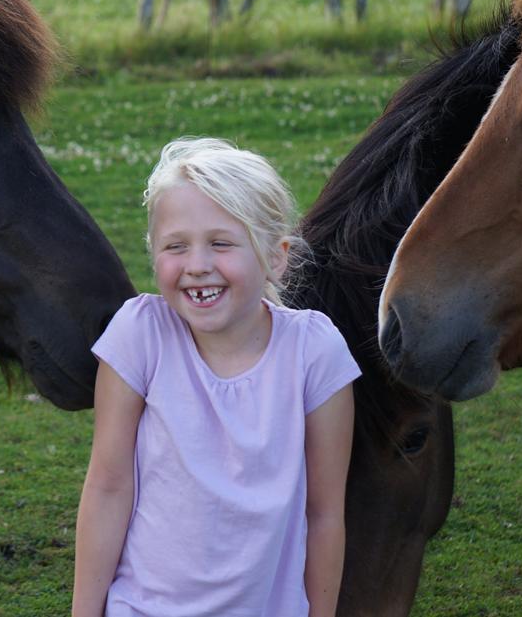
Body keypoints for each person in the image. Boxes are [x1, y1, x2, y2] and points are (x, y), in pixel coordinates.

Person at [72, 137, 360, 617]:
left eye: (221, 243)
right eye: (175, 246)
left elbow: (325, 513)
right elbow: (107, 485)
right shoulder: (140, 334)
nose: (197, 265)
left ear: (276, 257)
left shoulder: (314, 352)